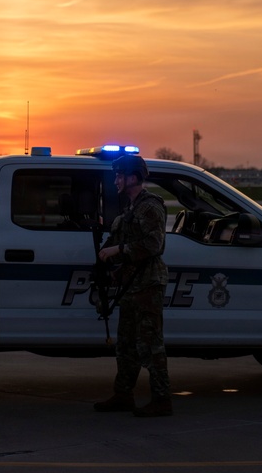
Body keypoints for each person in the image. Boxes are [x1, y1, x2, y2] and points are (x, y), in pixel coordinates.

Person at [93, 154, 173, 417]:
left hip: (147, 285)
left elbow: (154, 245)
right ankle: (123, 394)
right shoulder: (130, 208)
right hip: (131, 285)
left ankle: (162, 400)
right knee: (126, 345)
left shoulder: (150, 207)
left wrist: (118, 250)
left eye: (119, 175)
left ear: (133, 178)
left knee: (150, 344)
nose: (115, 180)